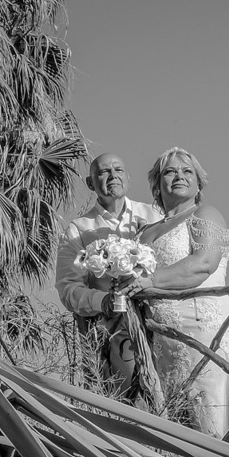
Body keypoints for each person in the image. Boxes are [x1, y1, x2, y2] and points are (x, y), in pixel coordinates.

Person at [121, 147, 229, 436]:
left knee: (210, 396)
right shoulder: (145, 233)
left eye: (186, 171)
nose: (178, 176)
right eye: (170, 171)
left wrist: (148, 281)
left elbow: (203, 264)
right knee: (173, 405)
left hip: (202, 322)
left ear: (198, 183)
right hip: (161, 334)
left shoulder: (206, 214)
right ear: (157, 183)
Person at [54, 153, 162, 391]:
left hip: (161, 326)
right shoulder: (79, 229)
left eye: (118, 170)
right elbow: (68, 287)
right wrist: (103, 301)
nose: (113, 176)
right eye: (104, 171)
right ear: (90, 183)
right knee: (129, 406)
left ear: (128, 178)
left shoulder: (154, 216)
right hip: (114, 336)